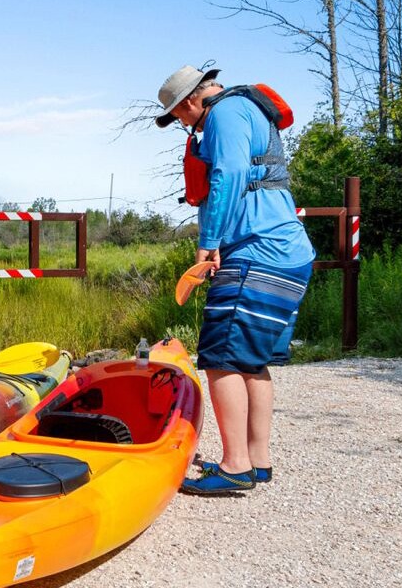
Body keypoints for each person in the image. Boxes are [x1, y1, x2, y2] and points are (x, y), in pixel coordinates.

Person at [154, 64, 315, 495]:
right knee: (250, 362)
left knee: (220, 358)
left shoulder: (224, 114)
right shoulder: (248, 110)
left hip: (256, 252)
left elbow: (229, 175)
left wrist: (209, 241)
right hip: (286, 251)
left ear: (190, 101)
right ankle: (257, 461)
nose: (181, 125)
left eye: (178, 117)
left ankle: (234, 466)